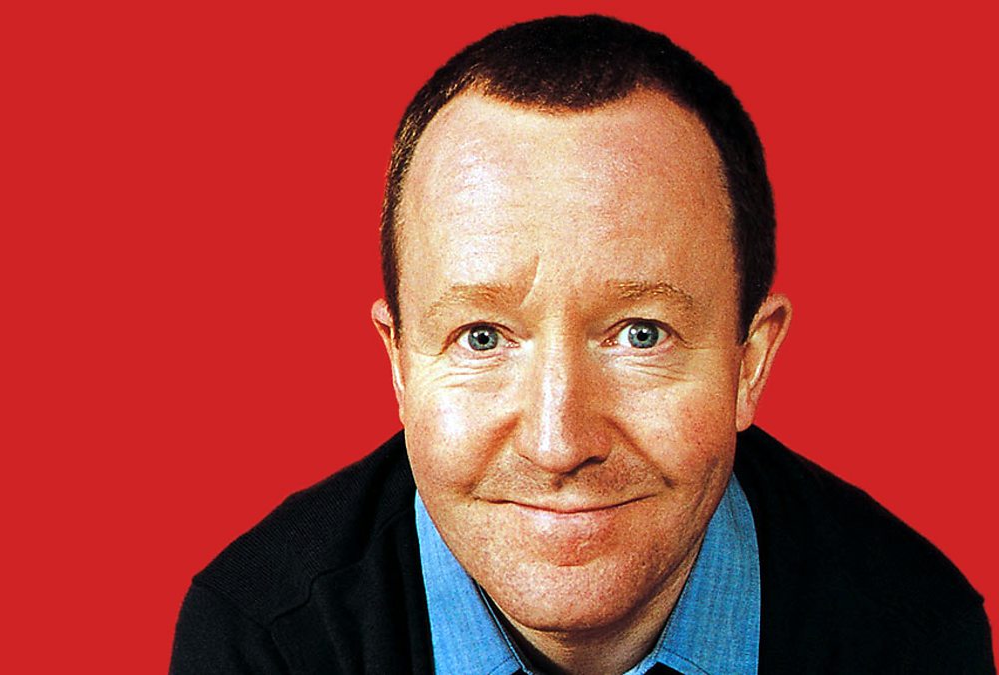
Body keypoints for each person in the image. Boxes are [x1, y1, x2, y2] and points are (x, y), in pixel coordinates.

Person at [170, 15, 992, 674]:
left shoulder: (911, 633)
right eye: (482, 337)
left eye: (641, 334)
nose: (558, 441)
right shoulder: (262, 639)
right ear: (399, 364)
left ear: (750, 362)